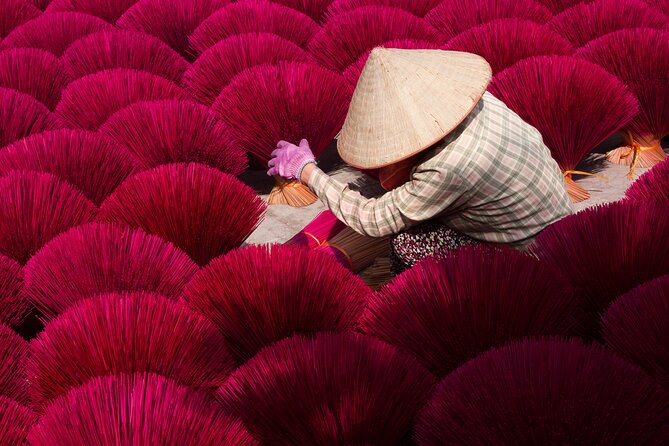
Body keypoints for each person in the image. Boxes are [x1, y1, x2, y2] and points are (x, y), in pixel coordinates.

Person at [268, 48, 573, 274]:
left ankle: (424, 302)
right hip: (564, 221)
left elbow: (373, 220)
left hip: (530, 253)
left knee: (405, 243)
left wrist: (307, 170)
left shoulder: (448, 167)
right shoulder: (473, 100)